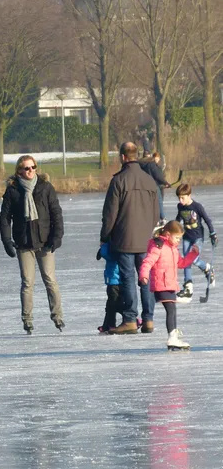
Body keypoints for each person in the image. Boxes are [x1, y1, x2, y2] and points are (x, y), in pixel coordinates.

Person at [0, 155, 65, 334]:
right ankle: (27, 319)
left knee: (50, 279)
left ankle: (57, 316)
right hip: (24, 243)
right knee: (27, 282)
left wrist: (57, 236)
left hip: (45, 242)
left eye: (33, 167)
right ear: (19, 171)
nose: (30, 171)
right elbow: (5, 218)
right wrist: (7, 241)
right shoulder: (13, 190)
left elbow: (56, 213)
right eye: (26, 168)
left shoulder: (45, 187)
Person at [100, 141, 159, 334]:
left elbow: (110, 213)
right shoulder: (149, 180)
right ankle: (148, 319)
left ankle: (130, 320)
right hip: (145, 239)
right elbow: (156, 213)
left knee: (127, 279)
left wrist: (105, 237)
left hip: (124, 240)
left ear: (123, 157)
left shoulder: (118, 181)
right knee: (145, 278)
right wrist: (148, 231)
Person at [138, 221, 199, 349]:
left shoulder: (173, 248)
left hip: (169, 284)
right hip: (161, 284)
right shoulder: (158, 247)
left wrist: (193, 254)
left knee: (172, 310)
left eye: (180, 238)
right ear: (167, 234)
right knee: (171, 309)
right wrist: (144, 275)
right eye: (177, 238)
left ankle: (173, 336)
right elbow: (147, 262)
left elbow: (181, 263)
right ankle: (172, 337)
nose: (178, 241)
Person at [175, 183, 217, 302]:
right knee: (186, 261)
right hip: (187, 238)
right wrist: (173, 229)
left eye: (182, 197)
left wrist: (212, 233)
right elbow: (178, 219)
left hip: (197, 238)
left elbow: (207, 220)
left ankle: (207, 268)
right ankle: (188, 287)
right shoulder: (180, 206)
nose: (180, 200)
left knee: (193, 259)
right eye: (179, 198)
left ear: (189, 195)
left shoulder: (197, 207)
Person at [96, 243, 123, 333]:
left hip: (114, 280)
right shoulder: (121, 245)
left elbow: (105, 253)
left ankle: (133, 319)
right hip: (119, 279)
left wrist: (103, 245)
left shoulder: (112, 246)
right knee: (111, 303)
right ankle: (107, 325)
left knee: (113, 304)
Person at [140, 152, 169, 221]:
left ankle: (150, 218)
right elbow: (158, 176)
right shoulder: (151, 164)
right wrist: (165, 183)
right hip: (153, 186)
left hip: (143, 187)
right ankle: (162, 218)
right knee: (159, 201)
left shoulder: (139, 164)